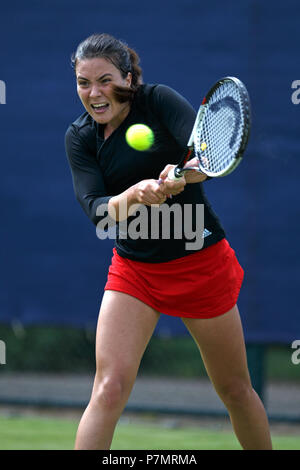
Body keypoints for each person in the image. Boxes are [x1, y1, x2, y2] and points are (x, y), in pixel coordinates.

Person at [65, 33, 272, 450]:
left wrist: (187, 173)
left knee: (234, 389)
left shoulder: (158, 101)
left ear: (127, 78)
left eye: (104, 80)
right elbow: (97, 210)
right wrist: (136, 194)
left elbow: (204, 156)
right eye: (83, 83)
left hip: (199, 263)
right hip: (135, 269)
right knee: (108, 388)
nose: (94, 93)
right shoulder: (81, 137)